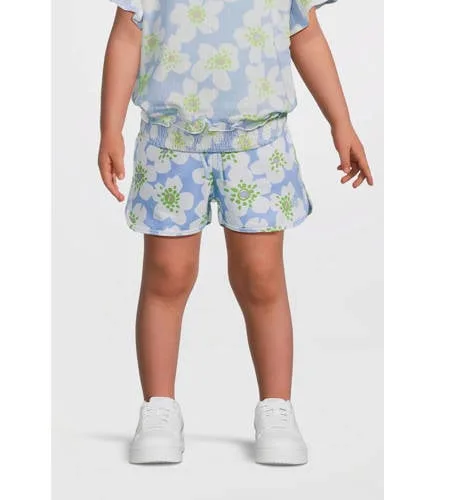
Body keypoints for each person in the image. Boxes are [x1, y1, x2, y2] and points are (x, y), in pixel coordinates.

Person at [98, 0, 373, 466]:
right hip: (170, 144)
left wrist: (340, 121)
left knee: (262, 277)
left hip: (257, 145)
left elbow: (304, 33)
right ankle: (159, 407)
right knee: (166, 275)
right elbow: (127, 35)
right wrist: (110, 128)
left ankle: (276, 408)